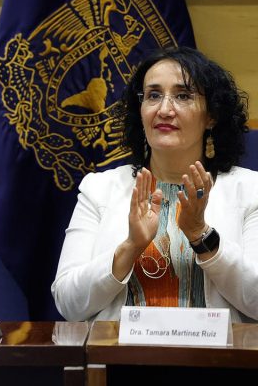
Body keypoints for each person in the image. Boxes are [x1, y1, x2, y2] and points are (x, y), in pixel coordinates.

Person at [52, 46, 256, 321]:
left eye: (183, 96)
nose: (164, 110)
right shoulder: (99, 189)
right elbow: (68, 304)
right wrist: (130, 247)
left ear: (212, 115)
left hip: (219, 349)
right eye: (153, 95)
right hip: (120, 349)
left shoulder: (250, 191)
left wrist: (200, 234)